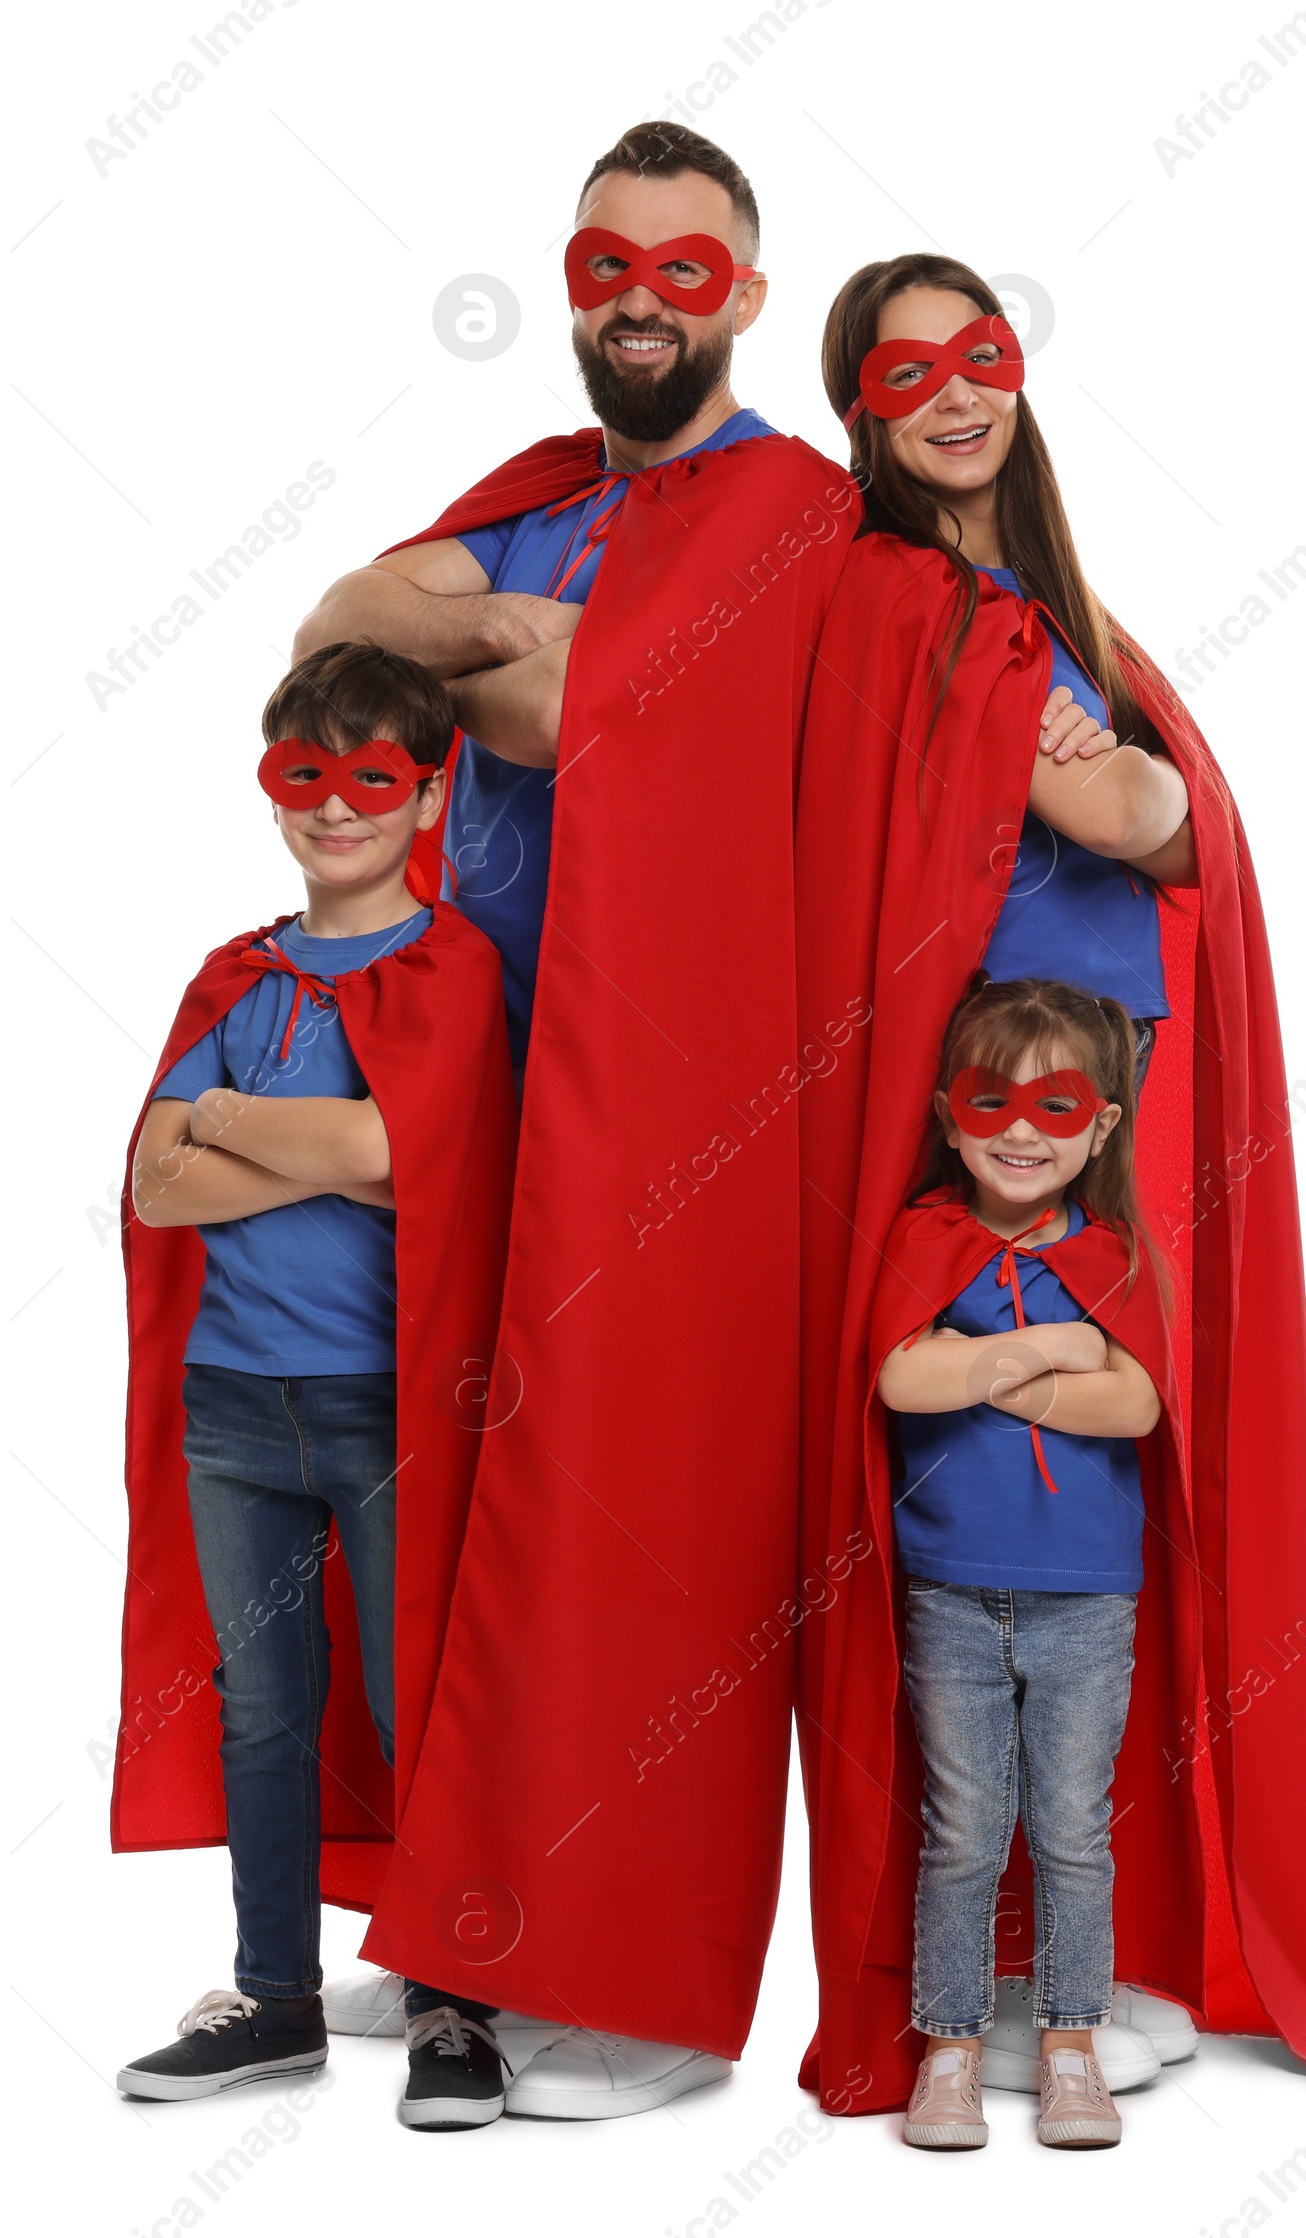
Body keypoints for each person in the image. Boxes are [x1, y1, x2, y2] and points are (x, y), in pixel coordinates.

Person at [293, 124, 859, 2118]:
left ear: (747, 297)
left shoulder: (793, 518)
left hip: (688, 1109)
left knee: (651, 1533)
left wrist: (518, 667)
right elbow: (343, 632)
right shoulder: (537, 502)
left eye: (686, 270)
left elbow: (570, 722)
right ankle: (469, 1922)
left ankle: (638, 1996)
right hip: (475, 1080)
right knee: (451, 1520)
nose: (640, 296)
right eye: (608, 260)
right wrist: (514, 647)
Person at [793, 253, 1306, 2116]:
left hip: (1127, 1083)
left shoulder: (1056, 605)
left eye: (986, 357)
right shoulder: (896, 592)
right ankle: (957, 1997)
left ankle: (1113, 1962)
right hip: (981, 1081)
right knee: (966, 1509)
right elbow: (1074, 808)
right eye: (911, 372)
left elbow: (1158, 816)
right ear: (863, 410)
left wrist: (1119, 785)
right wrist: (1095, 787)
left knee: (1134, 1493)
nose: (958, 395)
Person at [112, 645, 518, 2130]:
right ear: (274, 788)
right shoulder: (238, 973)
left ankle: (456, 2004)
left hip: (386, 1408)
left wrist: (231, 1117)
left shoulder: (451, 967)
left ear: (424, 800)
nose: (336, 809)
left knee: (430, 1709)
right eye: (308, 776)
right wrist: (308, 1129)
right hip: (234, 1408)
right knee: (263, 1713)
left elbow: (403, 1159)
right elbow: (156, 1188)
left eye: (373, 780)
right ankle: (276, 1995)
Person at [876, 979, 1172, 2150]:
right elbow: (901, 1380)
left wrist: (984, 1361)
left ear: (1101, 1125)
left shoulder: (1113, 1253)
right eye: (989, 1102)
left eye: (1056, 1108)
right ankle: (946, 2051)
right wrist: (1055, 1351)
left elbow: (1136, 1404)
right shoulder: (923, 1239)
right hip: (949, 1587)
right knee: (961, 1827)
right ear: (949, 1116)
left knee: (1072, 1831)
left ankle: (1068, 2046)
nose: (1018, 1131)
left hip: (1087, 1597)